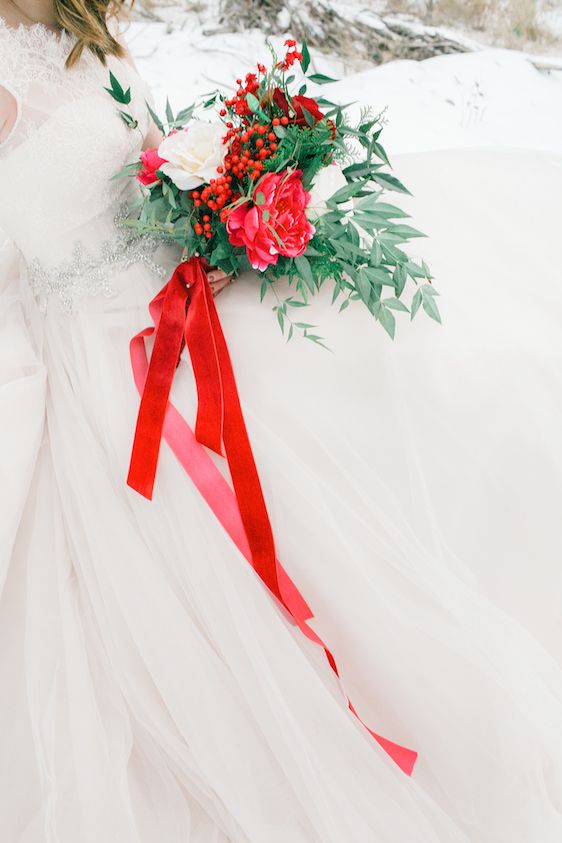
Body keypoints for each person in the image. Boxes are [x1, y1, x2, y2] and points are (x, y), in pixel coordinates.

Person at [1, 1, 561, 841]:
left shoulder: (88, 29)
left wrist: (210, 212)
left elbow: (137, 170)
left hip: (180, 305)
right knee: (175, 585)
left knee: (337, 457)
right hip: (94, 359)